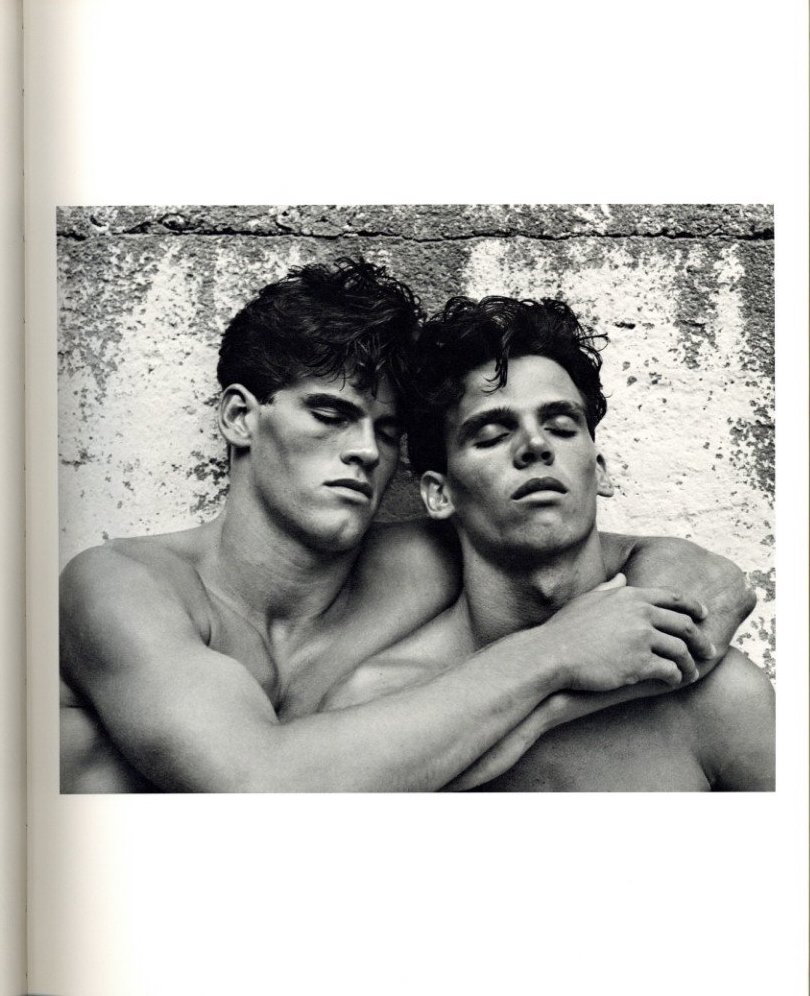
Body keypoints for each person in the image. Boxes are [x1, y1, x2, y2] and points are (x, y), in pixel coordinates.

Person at [60, 258, 755, 793]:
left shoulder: (416, 563)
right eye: (331, 416)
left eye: (387, 430)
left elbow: (699, 576)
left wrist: (645, 630)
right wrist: (555, 659)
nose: (366, 450)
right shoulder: (122, 583)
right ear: (241, 417)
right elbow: (258, 787)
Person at [322, 295, 774, 791]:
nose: (535, 445)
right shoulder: (376, 703)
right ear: (440, 494)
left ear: (599, 471)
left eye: (560, 427)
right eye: (492, 435)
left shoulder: (717, 696)